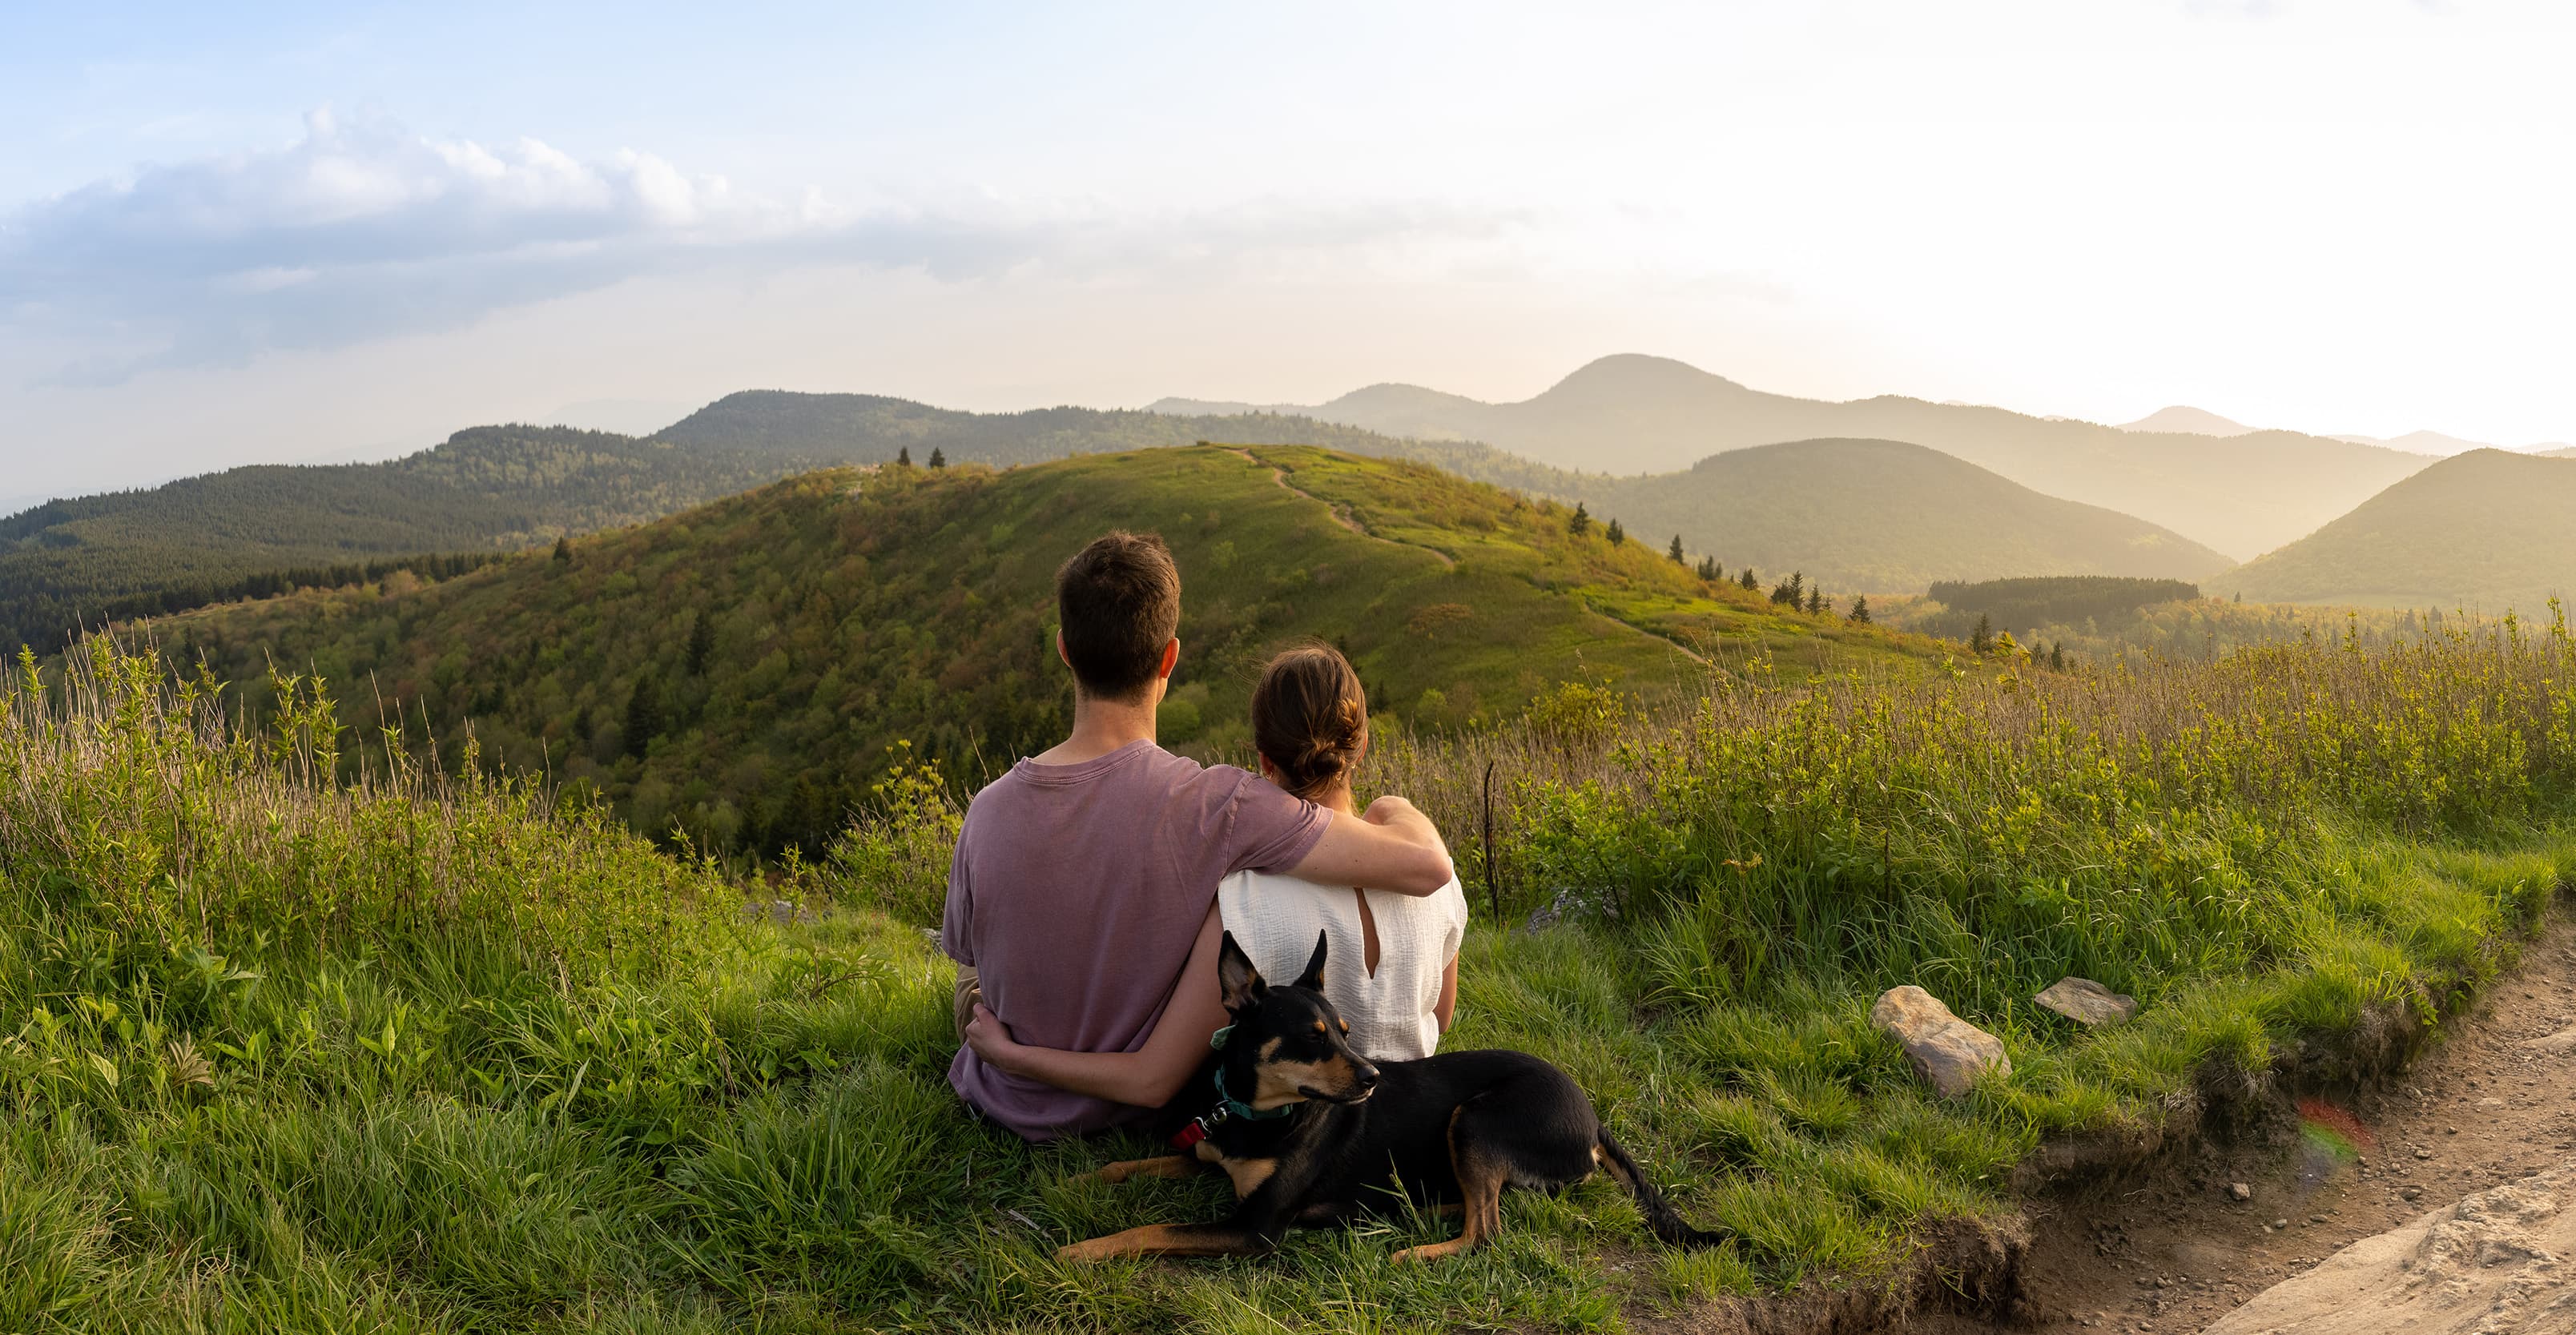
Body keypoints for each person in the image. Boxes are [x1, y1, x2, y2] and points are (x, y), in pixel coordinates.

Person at [941, 532, 1454, 1141]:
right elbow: (1425, 867)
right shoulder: (1223, 804)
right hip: (1139, 1113)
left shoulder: (987, 809)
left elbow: (969, 952)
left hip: (1003, 1099)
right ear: (1169, 658)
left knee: (967, 978)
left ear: (1065, 651)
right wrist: (1394, 805)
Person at [971, 645, 1465, 1097]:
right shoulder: (1438, 883)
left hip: (1304, 1148)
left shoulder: (1245, 902)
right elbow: (1440, 1020)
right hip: (1412, 1114)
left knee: (972, 979)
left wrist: (1010, 1056)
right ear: (1359, 747)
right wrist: (1395, 807)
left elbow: (1153, 1080)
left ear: (1265, 762)